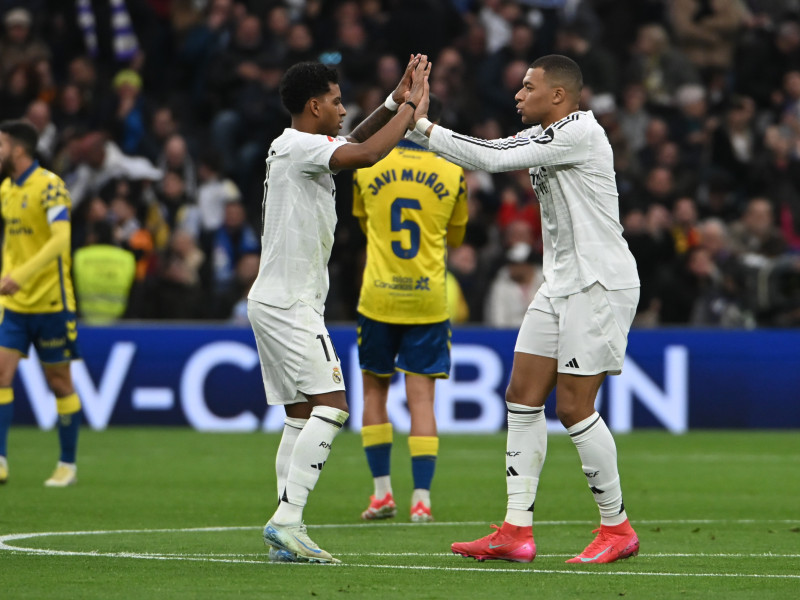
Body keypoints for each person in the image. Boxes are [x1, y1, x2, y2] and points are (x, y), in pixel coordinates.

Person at [409, 54, 641, 564]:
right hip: (559, 283)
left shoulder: (579, 132)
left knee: (575, 407)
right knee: (521, 396)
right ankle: (516, 530)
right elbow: (494, 153)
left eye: (528, 86)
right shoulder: (546, 138)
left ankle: (617, 527)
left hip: (599, 282)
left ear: (558, 96)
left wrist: (419, 124)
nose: (518, 94)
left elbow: (489, 158)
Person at [250, 56, 430, 564]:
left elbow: (356, 139)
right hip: (290, 304)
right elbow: (370, 152)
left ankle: (288, 530)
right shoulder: (301, 146)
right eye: (335, 101)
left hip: (276, 297)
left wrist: (395, 100)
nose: (343, 108)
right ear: (313, 106)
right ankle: (286, 521)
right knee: (333, 406)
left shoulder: (298, 145)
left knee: (300, 417)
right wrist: (414, 108)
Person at [351, 94, 468, 524]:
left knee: (374, 392)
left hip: (379, 296)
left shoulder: (368, 166)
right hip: (428, 299)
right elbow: (455, 239)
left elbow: (364, 225)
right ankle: (422, 499)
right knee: (422, 401)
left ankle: (382, 494)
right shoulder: (453, 171)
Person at [0, 120, 83, 487]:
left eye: (1, 144)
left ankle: (67, 464)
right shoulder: (6, 188)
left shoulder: (50, 187)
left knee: (59, 382)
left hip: (51, 302)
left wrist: (23, 275)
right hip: (15, 306)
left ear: (18, 149)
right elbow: (12, 246)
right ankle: (0, 460)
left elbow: (60, 241)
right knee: (0, 376)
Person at [73, 219, 136, 324]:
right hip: (120, 323)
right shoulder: (127, 258)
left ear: (94, 236)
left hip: (84, 323)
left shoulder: (80, 256)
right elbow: (134, 296)